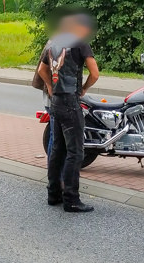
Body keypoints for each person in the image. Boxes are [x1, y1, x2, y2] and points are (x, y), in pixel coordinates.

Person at [37, 13, 99, 213]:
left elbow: (41, 70)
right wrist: (84, 89)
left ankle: (53, 194)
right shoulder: (80, 44)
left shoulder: (53, 44)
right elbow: (95, 73)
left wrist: (50, 86)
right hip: (71, 102)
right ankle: (71, 198)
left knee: (57, 149)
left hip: (56, 102)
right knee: (75, 151)